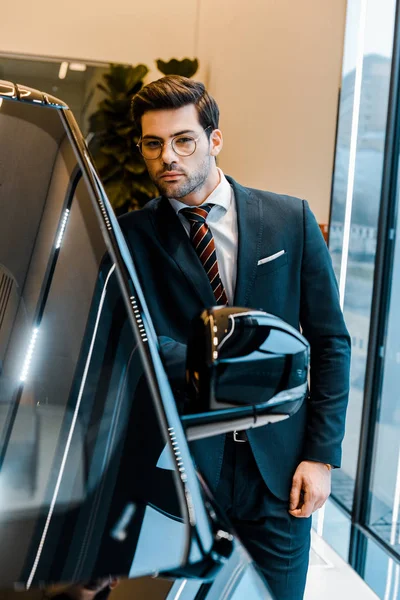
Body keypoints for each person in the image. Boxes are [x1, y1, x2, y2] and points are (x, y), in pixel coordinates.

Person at [118, 75, 351, 600]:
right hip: (187, 471)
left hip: (282, 469)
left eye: (183, 140)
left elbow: (331, 342)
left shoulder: (289, 220)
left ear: (214, 140)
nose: (167, 157)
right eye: (153, 144)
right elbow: (138, 345)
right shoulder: (131, 235)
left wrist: (321, 455)